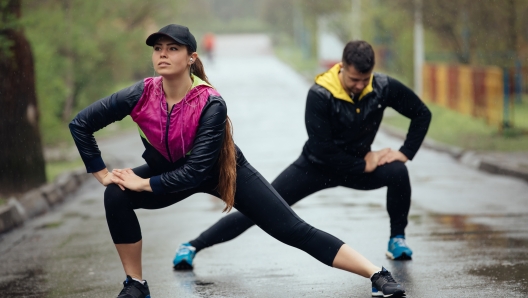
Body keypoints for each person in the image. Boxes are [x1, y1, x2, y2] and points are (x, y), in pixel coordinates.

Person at [69, 25, 406, 298]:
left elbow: (197, 170)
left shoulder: (210, 103)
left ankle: (375, 273)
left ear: (191, 58)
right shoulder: (140, 94)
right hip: (170, 172)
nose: (163, 54)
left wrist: (144, 183)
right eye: (158, 49)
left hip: (222, 172)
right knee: (114, 194)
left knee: (292, 230)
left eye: (172, 48)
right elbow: (81, 123)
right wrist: (101, 173)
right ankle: (136, 284)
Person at [174, 41, 431, 270]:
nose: (360, 85)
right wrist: (366, 163)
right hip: (315, 167)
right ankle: (192, 246)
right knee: (257, 209)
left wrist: (405, 153)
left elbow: (421, 113)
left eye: (365, 80)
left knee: (397, 171)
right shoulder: (320, 94)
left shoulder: (382, 87)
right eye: (354, 79)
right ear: (342, 67)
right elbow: (323, 151)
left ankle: (397, 239)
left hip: (356, 168)